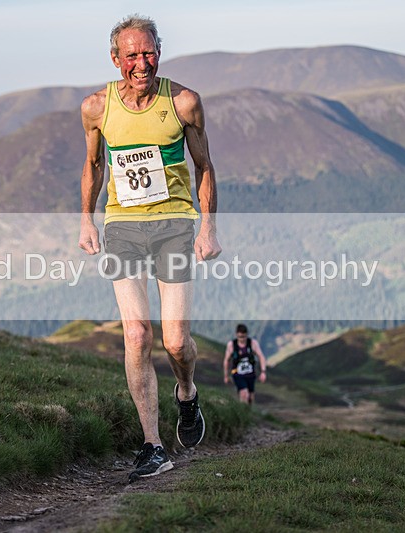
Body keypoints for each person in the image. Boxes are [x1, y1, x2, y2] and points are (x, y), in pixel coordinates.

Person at [78, 14, 221, 482]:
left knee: (176, 340)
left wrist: (208, 228)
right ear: (115, 59)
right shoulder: (96, 108)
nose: (143, 64)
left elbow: (204, 166)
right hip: (122, 226)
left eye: (150, 53)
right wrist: (86, 218)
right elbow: (94, 164)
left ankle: (186, 392)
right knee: (138, 334)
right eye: (133, 55)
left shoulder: (183, 103)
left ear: (159, 52)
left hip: (175, 226)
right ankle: (152, 445)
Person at [223, 324, 268, 405]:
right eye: (240, 337)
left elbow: (261, 356)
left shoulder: (253, 343)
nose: (242, 339)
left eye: (244, 337)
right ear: (236, 335)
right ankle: (243, 413)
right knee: (244, 393)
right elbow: (227, 360)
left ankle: (248, 413)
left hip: (250, 374)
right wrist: (226, 376)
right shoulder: (232, 345)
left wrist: (263, 372)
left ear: (246, 335)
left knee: (250, 397)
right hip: (237, 373)